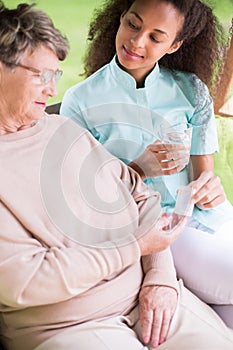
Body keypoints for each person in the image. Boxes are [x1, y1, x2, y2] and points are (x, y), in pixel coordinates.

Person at [1, 2, 233, 350]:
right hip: (69, 324)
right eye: (41, 76)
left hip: (148, 294)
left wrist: (159, 276)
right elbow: (28, 282)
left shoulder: (61, 128)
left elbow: (140, 197)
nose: (52, 91)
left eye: (56, 76)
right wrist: (136, 247)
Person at [60, 0, 233, 328]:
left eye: (156, 37)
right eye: (133, 25)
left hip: (216, 217)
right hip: (159, 231)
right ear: (120, 19)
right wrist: (139, 168)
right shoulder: (80, 101)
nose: (137, 42)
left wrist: (209, 184)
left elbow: (204, 171)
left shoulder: (191, 90)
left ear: (174, 45)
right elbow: (82, 195)